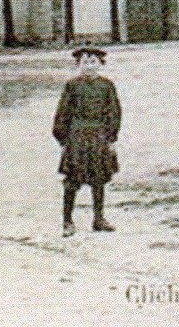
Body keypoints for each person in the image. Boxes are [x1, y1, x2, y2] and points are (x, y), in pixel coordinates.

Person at [52, 46, 121, 237]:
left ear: (100, 64)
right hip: (77, 137)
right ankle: (67, 221)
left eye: (93, 62)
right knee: (72, 180)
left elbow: (114, 112)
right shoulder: (72, 85)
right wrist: (63, 138)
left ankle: (99, 218)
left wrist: (111, 137)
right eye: (85, 63)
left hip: (99, 137)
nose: (89, 66)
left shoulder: (107, 85)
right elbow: (62, 113)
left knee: (99, 178)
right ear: (78, 65)